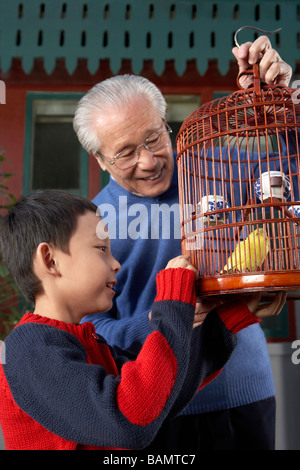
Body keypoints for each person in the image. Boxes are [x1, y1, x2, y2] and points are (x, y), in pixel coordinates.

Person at [73, 37, 291, 450]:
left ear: (167, 124)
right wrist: (168, 318)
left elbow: (292, 179)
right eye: (124, 153)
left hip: (243, 391)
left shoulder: (221, 168)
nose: (149, 160)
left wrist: (284, 104)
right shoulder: (90, 223)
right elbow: (92, 329)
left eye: (155, 138)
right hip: (156, 407)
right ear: (99, 159)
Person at [0, 189, 277, 451]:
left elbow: (163, 395)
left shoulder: (88, 342)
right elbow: (130, 420)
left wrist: (228, 318)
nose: (115, 263)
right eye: (101, 249)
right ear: (50, 260)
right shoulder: (29, 348)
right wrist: (170, 302)